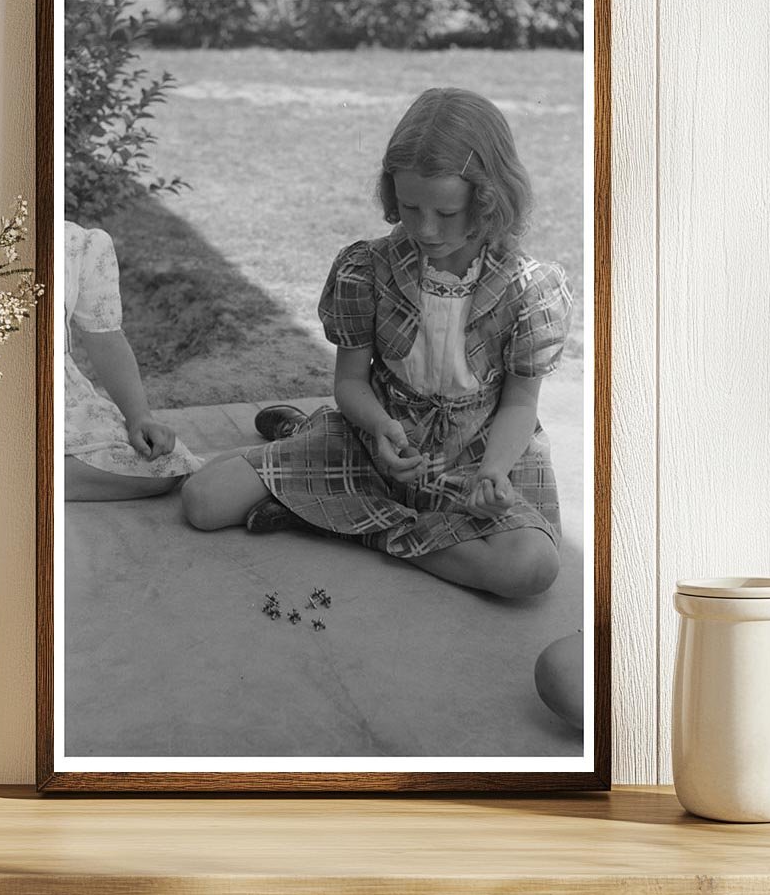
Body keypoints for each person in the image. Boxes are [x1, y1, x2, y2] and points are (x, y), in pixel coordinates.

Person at [181, 87, 572, 598]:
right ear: (392, 193)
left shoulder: (530, 288)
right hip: (374, 443)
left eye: (447, 213)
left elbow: (521, 404)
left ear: (489, 198)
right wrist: (381, 426)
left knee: (530, 570)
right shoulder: (366, 268)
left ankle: (338, 521)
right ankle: (325, 473)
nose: (426, 229)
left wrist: (493, 474)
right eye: (410, 207)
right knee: (203, 500)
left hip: (480, 455)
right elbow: (349, 382)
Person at [65, 220, 202, 500]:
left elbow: (106, 339)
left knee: (166, 465)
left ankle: (17, 477)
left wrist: (139, 417)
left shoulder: (78, 243)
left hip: (56, 396)